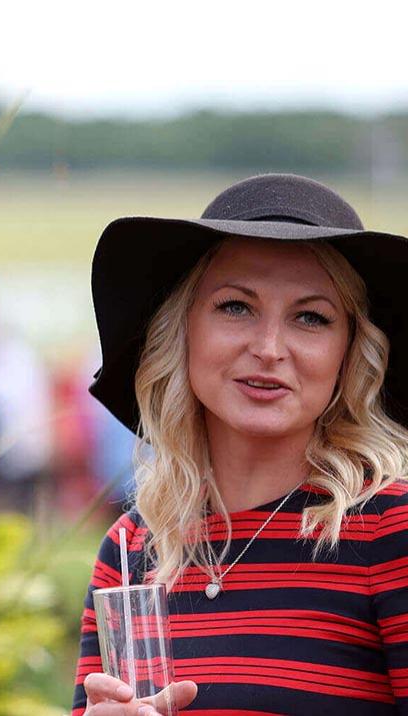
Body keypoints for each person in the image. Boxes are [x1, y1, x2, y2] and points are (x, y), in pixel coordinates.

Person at [72, 173, 408, 715]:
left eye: (310, 317)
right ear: (183, 330)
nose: (269, 348)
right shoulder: (133, 548)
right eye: (236, 307)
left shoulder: (390, 533)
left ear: (350, 354)